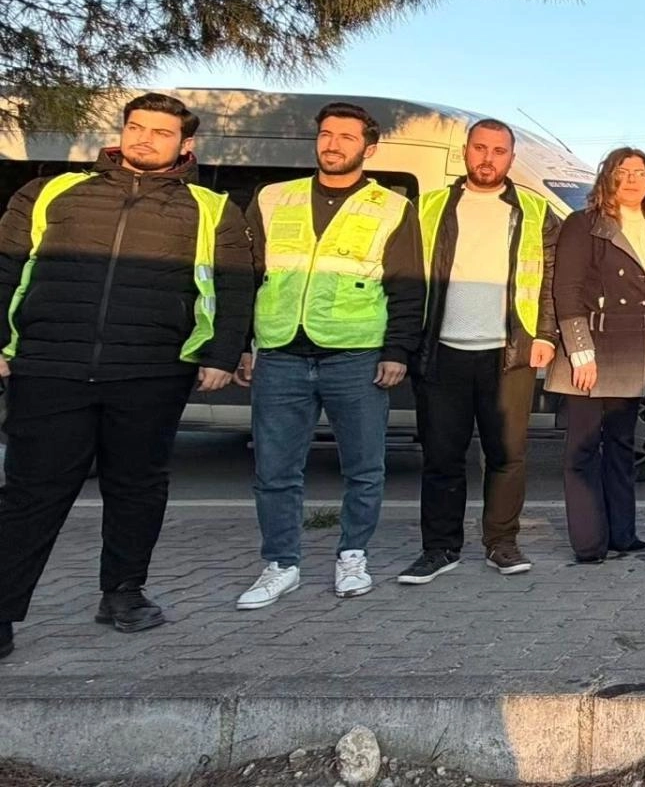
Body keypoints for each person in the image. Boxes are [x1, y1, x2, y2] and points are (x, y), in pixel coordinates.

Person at [0, 94, 252, 658]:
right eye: (136, 127)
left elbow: (236, 286)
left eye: (160, 132)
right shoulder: (49, 192)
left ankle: (123, 593)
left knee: (136, 489)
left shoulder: (213, 209)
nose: (144, 139)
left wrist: (220, 354)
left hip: (152, 369)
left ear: (185, 143)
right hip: (49, 366)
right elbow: (5, 267)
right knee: (30, 495)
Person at [236, 102, 424, 608]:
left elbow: (408, 285)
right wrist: (242, 344)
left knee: (364, 468)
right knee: (275, 471)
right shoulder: (274, 198)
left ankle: (353, 556)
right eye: (326, 135)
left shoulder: (392, 207)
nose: (333, 144)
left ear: (369, 148)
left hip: (356, 355)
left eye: (346, 137)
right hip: (279, 352)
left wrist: (397, 350)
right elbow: (246, 275)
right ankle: (281, 565)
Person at [399, 120, 560, 585]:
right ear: (465, 151)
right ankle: (439, 548)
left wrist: (544, 335)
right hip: (440, 350)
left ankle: (502, 542)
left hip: (508, 353)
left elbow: (549, 277)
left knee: (507, 455)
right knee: (441, 457)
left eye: (499, 150)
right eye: (480, 148)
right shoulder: (428, 206)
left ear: (512, 158)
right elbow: (404, 276)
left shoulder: (535, 210)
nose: (488, 158)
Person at [547, 146, 645, 564]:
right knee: (582, 450)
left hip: (634, 353)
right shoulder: (583, 224)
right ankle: (589, 542)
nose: (633, 179)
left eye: (640, 172)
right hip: (591, 350)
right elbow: (567, 289)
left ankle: (623, 533)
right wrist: (580, 352)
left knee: (622, 445)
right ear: (608, 177)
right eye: (624, 171)